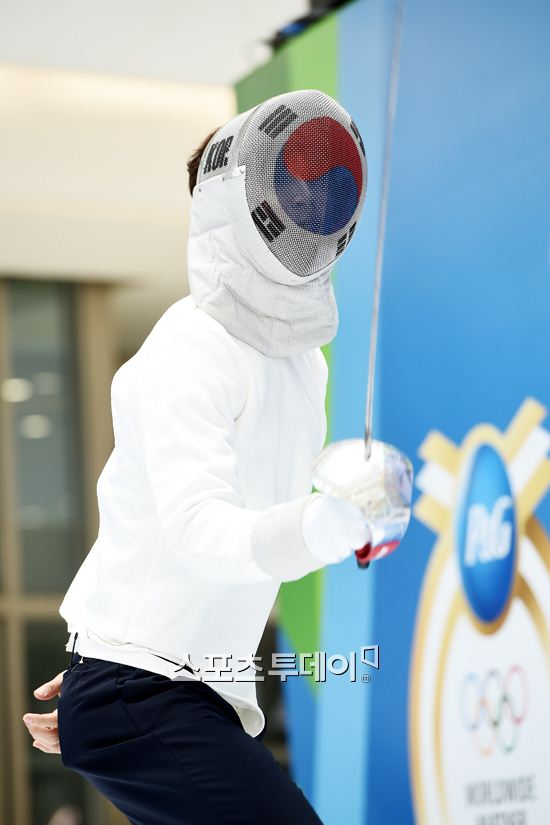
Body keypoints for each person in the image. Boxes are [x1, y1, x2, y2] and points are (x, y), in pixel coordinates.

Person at [22, 89, 369, 825]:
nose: (309, 201)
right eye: (288, 183)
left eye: (320, 186)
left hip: (176, 686)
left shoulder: (304, 366)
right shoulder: (190, 346)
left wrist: (111, 658)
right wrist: (113, 670)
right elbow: (197, 527)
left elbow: (235, 542)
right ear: (234, 204)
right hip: (147, 690)